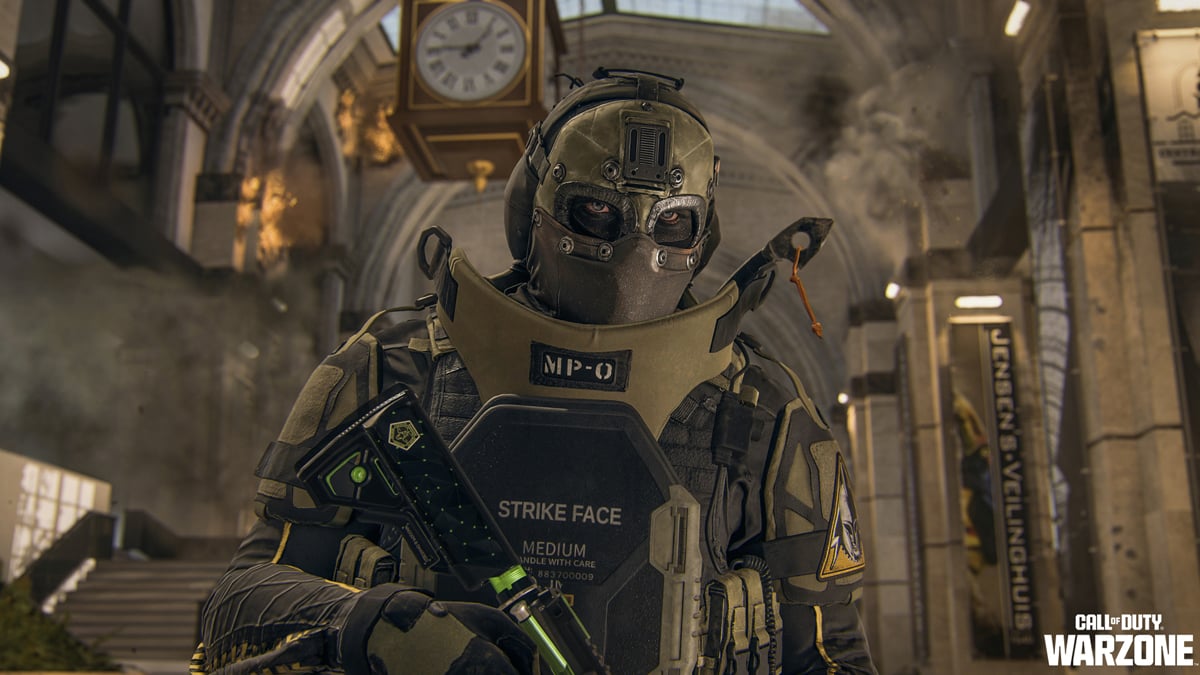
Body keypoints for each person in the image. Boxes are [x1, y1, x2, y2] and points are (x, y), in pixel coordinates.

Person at [196, 70, 877, 675]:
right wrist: (374, 626)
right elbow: (238, 602)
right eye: (597, 211)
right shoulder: (394, 365)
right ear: (535, 207)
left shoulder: (763, 413)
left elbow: (831, 655)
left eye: (671, 221)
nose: (633, 248)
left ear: (703, 235)